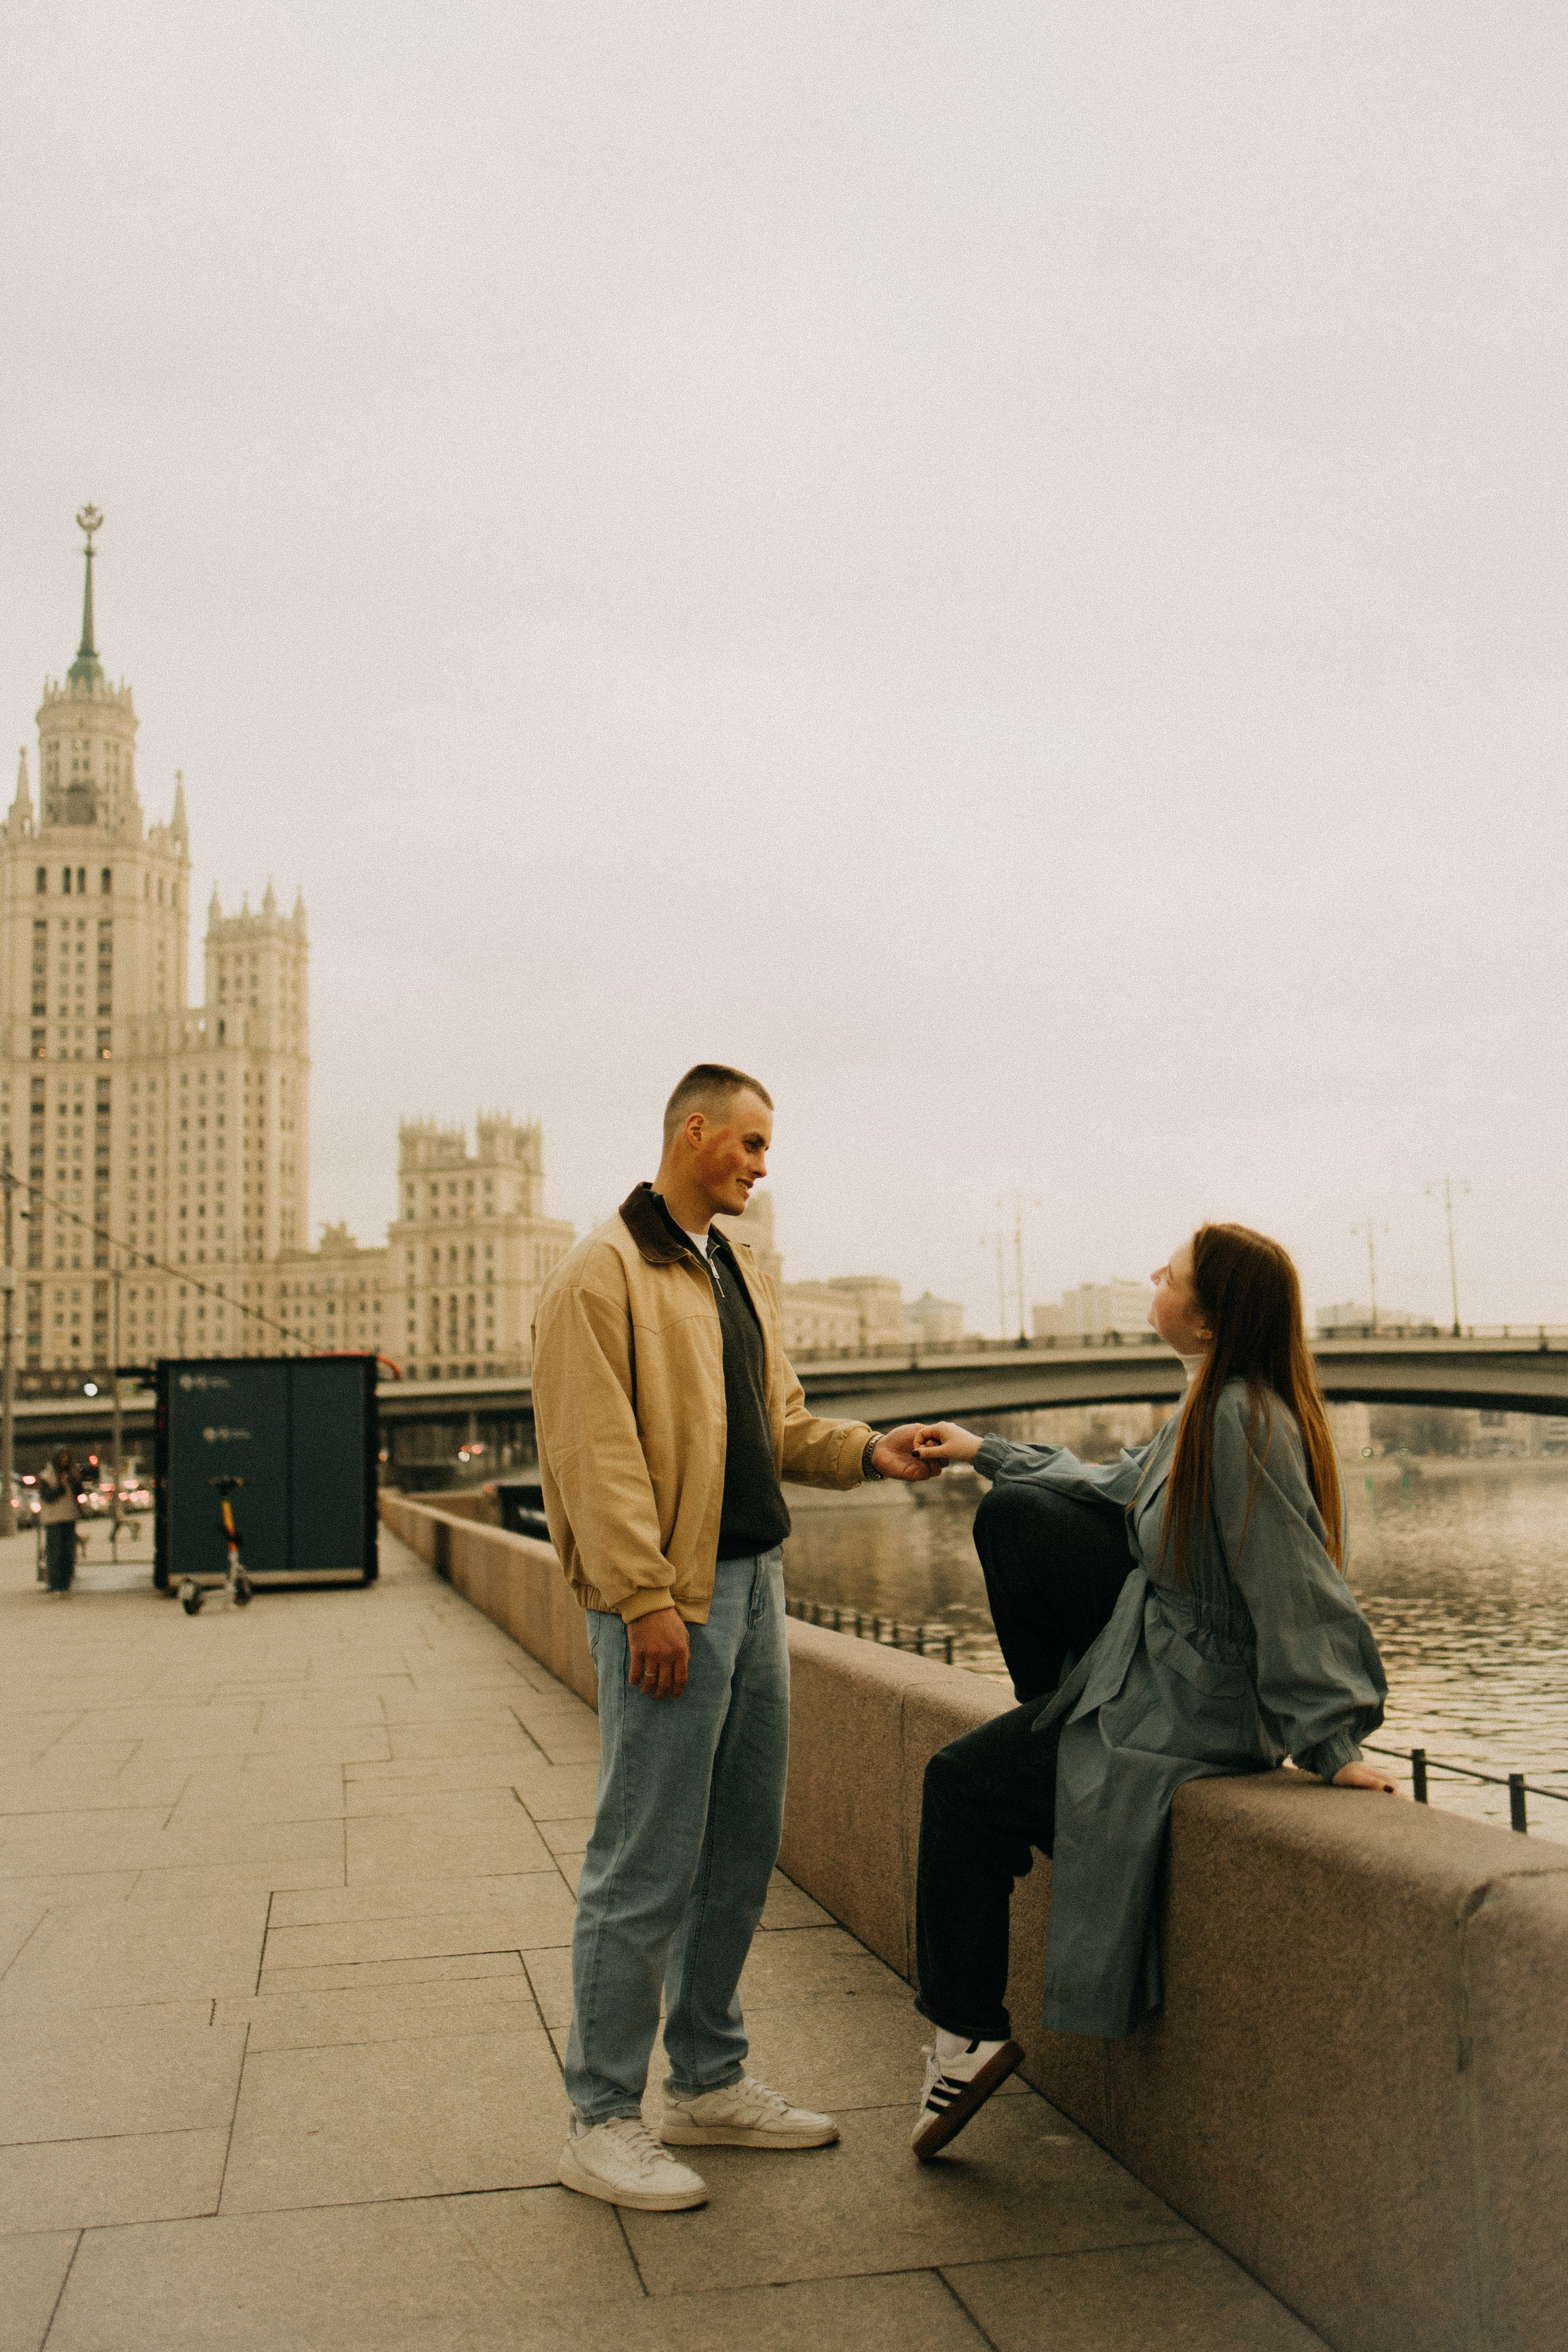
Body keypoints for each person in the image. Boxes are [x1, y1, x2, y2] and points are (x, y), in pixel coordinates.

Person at [532, 1062, 940, 2212]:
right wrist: (644, 1598)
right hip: (675, 1600)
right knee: (644, 1856)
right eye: (752, 1143)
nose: (764, 1164)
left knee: (738, 1845)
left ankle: (706, 2080)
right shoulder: (599, 1275)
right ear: (695, 1131)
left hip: (757, 1587)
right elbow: (592, 1451)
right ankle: (601, 2117)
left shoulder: (728, 1267)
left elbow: (780, 1425)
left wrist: (872, 1452)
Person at [903, 1222, 1398, 2162]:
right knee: (1017, 1512)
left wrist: (1334, 1745)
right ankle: (1055, 1734)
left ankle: (964, 2037)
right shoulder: (1211, 1403)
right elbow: (1110, 1487)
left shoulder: (1241, 1419)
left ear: (1207, 1322)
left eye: (1169, 1277)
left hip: (1188, 1700)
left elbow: (1293, 1578)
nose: (1152, 1280)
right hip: (1146, 1664)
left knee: (961, 1785)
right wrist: (983, 1451)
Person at [38, 1450, 81, 1595]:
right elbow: (47, 1496)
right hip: (53, 1518)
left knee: (68, 1551)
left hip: (69, 1516)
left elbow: (78, 1493)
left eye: (67, 1459)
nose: (64, 1462)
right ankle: (55, 1583)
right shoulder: (47, 1476)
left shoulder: (71, 1474)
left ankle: (66, 1583)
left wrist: (75, 1480)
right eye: (62, 1459)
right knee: (55, 1551)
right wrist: (61, 1488)